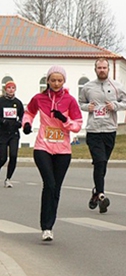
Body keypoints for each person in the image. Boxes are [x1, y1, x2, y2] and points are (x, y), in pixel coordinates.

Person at [22, 66, 83, 241]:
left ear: (64, 81)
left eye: (60, 80)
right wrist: (26, 124)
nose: (56, 83)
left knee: (55, 188)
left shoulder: (70, 100)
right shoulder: (39, 98)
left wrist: (64, 120)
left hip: (63, 150)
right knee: (49, 183)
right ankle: (45, 226)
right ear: (48, 80)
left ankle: (49, 226)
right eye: (53, 80)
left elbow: (78, 124)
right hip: (43, 147)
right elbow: (29, 112)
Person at [79, 58, 126, 213]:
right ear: (95, 69)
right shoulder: (88, 87)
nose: (102, 70)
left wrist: (115, 106)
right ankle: (102, 195)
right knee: (99, 161)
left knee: (103, 164)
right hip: (93, 130)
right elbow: (81, 102)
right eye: (99, 67)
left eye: (104, 67)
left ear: (108, 69)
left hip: (109, 130)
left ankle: (96, 192)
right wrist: (88, 107)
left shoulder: (116, 86)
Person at [0, 81, 24, 188]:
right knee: (2, 158)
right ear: (5, 89)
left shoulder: (18, 103)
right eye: (9, 88)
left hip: (14, 133)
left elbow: (23, 116)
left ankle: (8, 179)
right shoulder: (1, 101)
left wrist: (20, 123)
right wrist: (2, 121)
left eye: (13, 88)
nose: (11, 90)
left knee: (13, 156)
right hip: (2, 133)